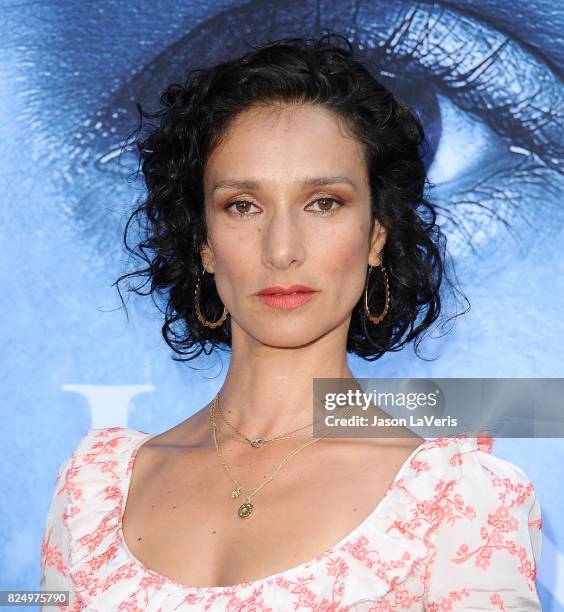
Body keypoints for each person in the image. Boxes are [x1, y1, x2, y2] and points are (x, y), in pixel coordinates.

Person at [40, 33, 542, 610]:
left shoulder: (457, 501)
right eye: (242, 206)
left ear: (376, 235)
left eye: (324, 202)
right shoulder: (94, 492)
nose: (281, 250)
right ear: (204, 242)